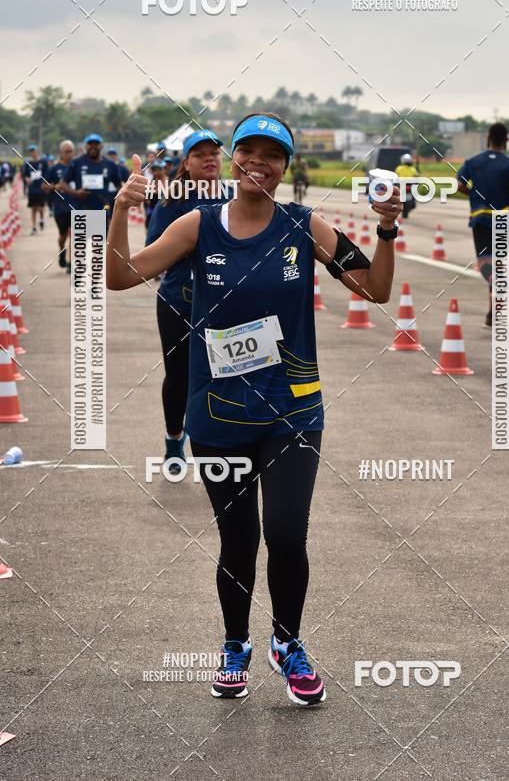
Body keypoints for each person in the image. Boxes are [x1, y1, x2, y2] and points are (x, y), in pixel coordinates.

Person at [107, 112, 401, 706]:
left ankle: (287, 644)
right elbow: (118, 276)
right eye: (249, 151)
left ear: (286, 167)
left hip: (293, 411)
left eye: (273, 155)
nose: (258, 163)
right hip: (217, 416)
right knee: (238, 541)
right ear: (234, 158)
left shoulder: (304, 225)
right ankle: (235, 644)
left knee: (287, 534)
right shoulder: (198, 225)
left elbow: (373, 289)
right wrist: (120, 210)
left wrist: (388, 230)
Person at [145, 130, 229, 472]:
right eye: (199, 154)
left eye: (214, 153)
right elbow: (153, 253)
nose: (209, 159)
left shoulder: (237, 198)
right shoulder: (171, 202)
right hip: (178, 302)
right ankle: (173, 440)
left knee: (225, 374)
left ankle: (219, 442)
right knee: (178, 376)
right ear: (187, 163)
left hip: (227, 304)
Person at [457, 122, 509, 327]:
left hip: (481, 217)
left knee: (486, 263)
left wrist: (473, 194)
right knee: (499, 263)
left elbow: (459, 184)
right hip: (504, 217)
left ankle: (496, 294)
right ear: (506, 140)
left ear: (488, 138)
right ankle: (493, 312)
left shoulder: (473, 161)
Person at [63, 133, 122, 224]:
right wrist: (76, 193)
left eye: (96, 144)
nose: (93, 146)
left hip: (102, 210)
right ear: (86, 146)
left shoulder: (110, 164)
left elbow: (119, 186)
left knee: (100, 233)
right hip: (81, 211)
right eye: (90, 144)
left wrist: (119, 202)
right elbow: (63, 183)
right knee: (84, 234)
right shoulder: (76, 162)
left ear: (101, 146)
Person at [44, 139, 75, 272]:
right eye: (66, 151)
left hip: (76, 206)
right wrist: (55, 187)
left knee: (74, 234)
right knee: (63, 236)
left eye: (71, 151)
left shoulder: (77, 167)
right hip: (60, 207)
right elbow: (44, 185)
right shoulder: (54, 168)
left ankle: (71, 263)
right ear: (61, 153)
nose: (69, 154)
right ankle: (62, 250)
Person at [21, 145, 49, 234]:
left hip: (41, 188)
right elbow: (26, 175)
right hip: (32, 189)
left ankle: (41, 219)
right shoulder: (28, 164)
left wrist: (46, 183)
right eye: (31, 151)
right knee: (33, 208)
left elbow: (47, 174)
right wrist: (27, 179)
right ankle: (34, 227)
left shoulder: (43, 162)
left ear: (37, 151)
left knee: (40, 208)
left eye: (33, 151)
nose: (32, 153)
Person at [395, 153, 418, 218]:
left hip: (401, 185)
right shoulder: (413, 169)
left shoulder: (398, 168)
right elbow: (416, 177)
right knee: (413, 197)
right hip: (409, 186)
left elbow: (396, 177)